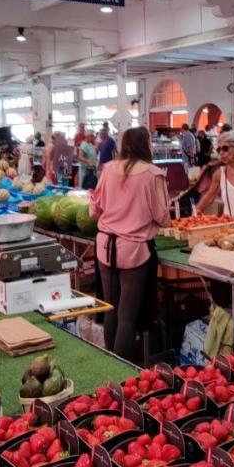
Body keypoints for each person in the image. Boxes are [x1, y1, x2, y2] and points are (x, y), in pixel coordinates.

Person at [89, 127, 169, 360]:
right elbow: (162, 217)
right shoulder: (153, 174)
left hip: (105, 245)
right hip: (134, 249)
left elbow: (94, 209)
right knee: (127, 317)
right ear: (147, 145)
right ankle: (121, 373)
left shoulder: (108, 169)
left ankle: (108, 366)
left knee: (111, 308)